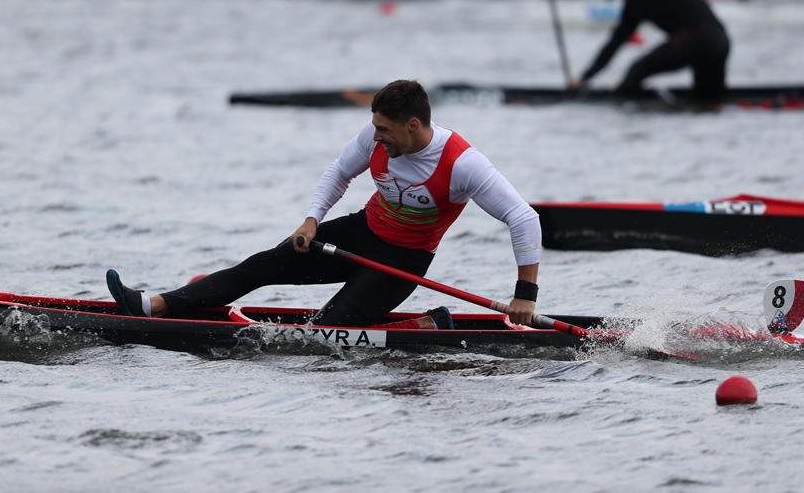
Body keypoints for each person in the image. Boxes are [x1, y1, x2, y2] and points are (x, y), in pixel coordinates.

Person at [107, 80, 542, 330]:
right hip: (360, 233)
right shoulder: (375, 135)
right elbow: (338, 172)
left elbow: (523, 217)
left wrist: (525, 295)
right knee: (262, 264)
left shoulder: (462, 163)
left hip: (403, 261)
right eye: (374, 127)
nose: (376, 137)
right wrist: (312, 220)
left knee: (326, 333)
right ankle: (157, 305)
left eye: (384, 129)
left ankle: (426, 325)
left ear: (413, 125)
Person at [530, 0, 731, 101]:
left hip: (700, 39)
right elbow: (613, 45)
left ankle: (624, 111)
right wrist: (584, 79)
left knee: (638, 70)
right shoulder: (635, 4)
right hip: (719, 41)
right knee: (706, 103)